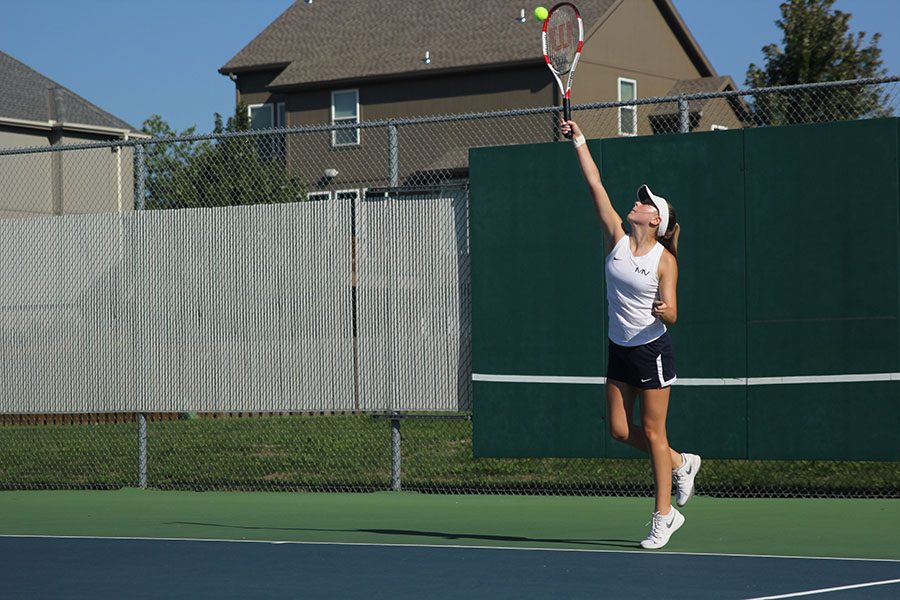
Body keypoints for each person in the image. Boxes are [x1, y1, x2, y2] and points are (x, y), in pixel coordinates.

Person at [561, 119, 700, 550]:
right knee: (619, 431)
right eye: (639, 200)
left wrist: (666, 310)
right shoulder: (617, 239)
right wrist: (580, 140)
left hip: (651, 350)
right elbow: (595, 184)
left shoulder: (665, 260)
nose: (637, 203)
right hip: (618, 347)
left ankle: (664, 516)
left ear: (657, 220)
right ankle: (681, 462)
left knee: (653, 432)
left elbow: (673, 310)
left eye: (646, 202)